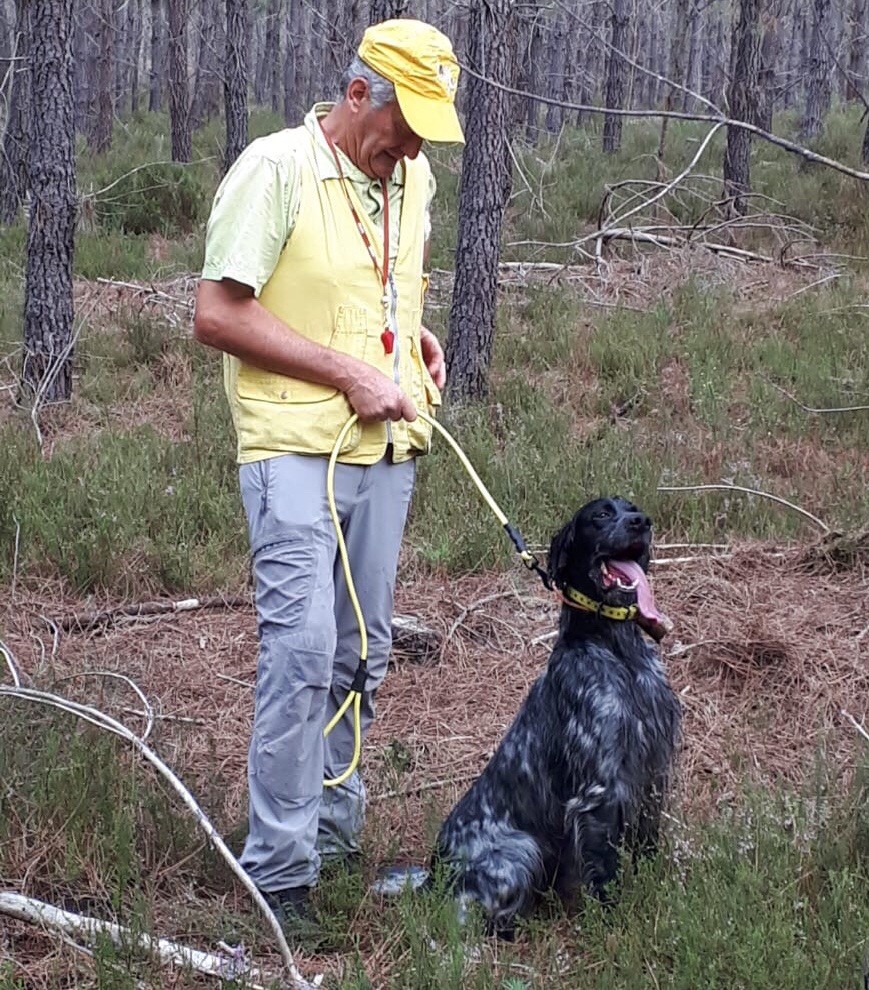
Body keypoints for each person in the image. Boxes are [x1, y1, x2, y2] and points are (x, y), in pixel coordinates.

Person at [192, 19, 463, 926]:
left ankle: (334, 843)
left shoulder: (411, 174)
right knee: (303, 654)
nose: (412, 148)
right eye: (402, 127)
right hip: (290, 444)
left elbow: (380, 282)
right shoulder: (273, 168)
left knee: (361, 655)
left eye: (425, 132)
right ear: (356, 97)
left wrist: (406, 334)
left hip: (387, 444)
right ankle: (278, 875)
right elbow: (218, 315)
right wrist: (347, 371)